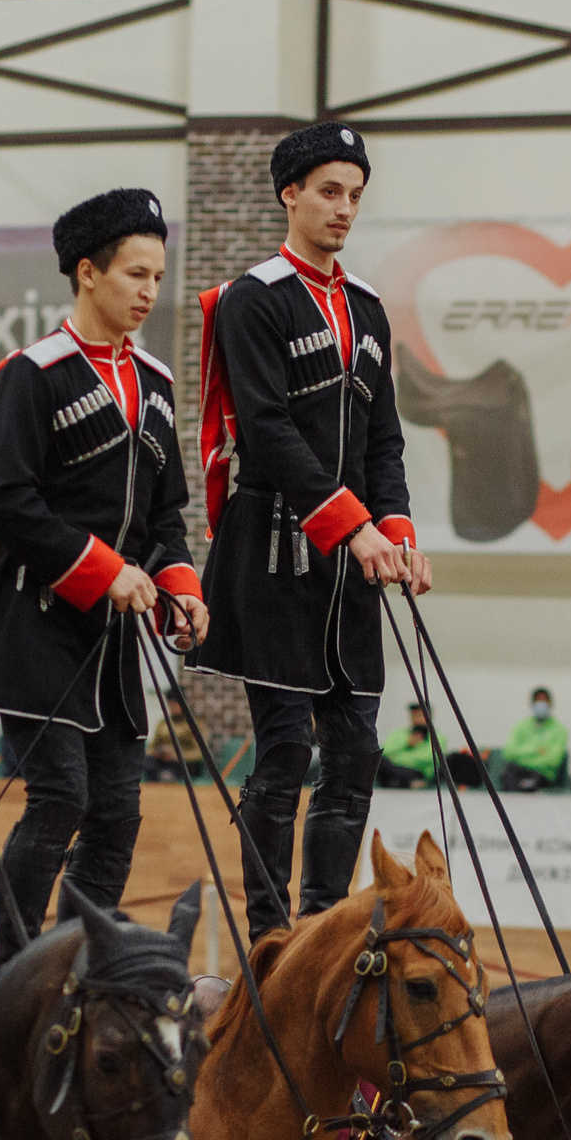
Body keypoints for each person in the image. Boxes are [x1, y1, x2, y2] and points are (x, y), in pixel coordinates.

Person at [189, 121, 432, 938]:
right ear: (289, 192)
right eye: (330, 191)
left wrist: (393, 530)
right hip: (275, 550)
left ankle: (324, 924)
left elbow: (384, 439)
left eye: (356, 195)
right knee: (285, 746)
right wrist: (351, 525)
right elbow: (263, 427)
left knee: (357, 749)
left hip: (351, 564)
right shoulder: (253, 298)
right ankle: (270, 932)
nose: (345, 208)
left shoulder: (366, 308)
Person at [0, 188, 202, 966]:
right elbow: (4, 499)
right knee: (59, 798)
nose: (148, 292)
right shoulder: (33, 375)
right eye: (134, 274)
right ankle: (14, 979)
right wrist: (103, 571)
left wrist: (180, 588)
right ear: (87, 273)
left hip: (112, 644)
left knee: (118, 814)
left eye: (157, 277)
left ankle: (76, 971)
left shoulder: (157, 384)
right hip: (32, 627)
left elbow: (166, 517)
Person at [501, 687, 568, 792]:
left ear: (550, 703)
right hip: (517, 771)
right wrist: (537, 750)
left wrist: (523, 757)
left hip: (541, 774)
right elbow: (508, 753)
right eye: (537, 701)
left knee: (526, 786)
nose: (540, 704)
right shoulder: (521, 726)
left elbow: (553, 760)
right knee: (509, 776)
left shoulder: (559, 729)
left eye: (544, 701)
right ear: (531, 703)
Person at [377, 703, 438, 789]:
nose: (416, 719)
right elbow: (384, 751)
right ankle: (405, 783)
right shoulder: (399, 733)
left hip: (417, 771)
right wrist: (407, 744)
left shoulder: (437, 736)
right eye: (414, 715)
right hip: (394, 767)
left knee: (392, 775)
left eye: (420, 715)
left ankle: (398, 782)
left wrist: (396, 758)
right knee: (380, 761)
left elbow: (428, 757)